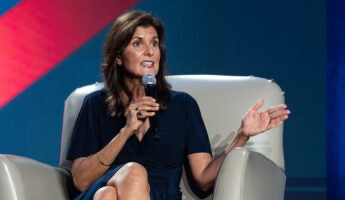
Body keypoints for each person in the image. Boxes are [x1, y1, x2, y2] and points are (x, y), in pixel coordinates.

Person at [67, 10, 290, 200]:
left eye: (154, 43)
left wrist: (242, 136)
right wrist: (126, 131)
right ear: (118, 57)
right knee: (126, 177)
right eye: (138, 43)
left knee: (106, 196)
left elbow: (203, 179)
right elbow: (80, 180)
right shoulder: (96, 105)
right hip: (106, 185)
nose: (150, 51)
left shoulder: (182, 106)